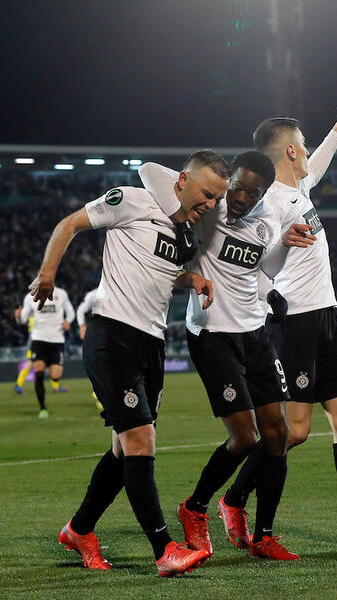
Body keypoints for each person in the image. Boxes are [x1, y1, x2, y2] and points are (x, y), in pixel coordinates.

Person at [194, 94, 337, 549]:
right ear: (291, 150)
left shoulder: (297, 189)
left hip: (327, 314)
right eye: (305, 144)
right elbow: (253, 265)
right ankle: (233, 499)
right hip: (296, 321)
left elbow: (316, 168)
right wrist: (267, 297)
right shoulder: (269, 203)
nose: (310, 151)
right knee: (294, 431)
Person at [30, 149, 228, 576]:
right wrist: (48, 273)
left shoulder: (184, 233)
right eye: (207, 194)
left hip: (152, 344)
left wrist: (190, 278)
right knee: (140, 440)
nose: (211, 204)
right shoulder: (131, 200)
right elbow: (69, 224)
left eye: (217, 199)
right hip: (112, 335)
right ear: (182, 180)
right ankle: (164, 550)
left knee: (123, 451)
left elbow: (160, 272)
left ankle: (79, 530)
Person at [139, 151, 315, 560]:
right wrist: (193, 193)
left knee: (277, 435)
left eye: (251, 193)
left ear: (263, 194)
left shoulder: (268, 221)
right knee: (244, 438)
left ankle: (264, 537)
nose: (239, 198)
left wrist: (273, 281)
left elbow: (258, 269)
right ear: (228, 182)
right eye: (236, 188)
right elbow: (147, 170)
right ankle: (195, 507)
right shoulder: (211, 207)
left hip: (255, 334)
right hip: (213, 334)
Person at [18, 287, 75, 417]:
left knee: (55, 376)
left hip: (57, 340)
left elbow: (70, 311)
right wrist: (18, 317)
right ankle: (42, 408)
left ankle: (50, 366)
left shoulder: (61, 293)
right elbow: (23, 319)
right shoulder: (30, 297)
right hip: (38, 339)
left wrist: (68, 321)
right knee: (39, 373)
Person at [14, 314, 68, 395]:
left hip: (39, 343)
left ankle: (56, 387)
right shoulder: (38, 316)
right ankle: (18, 385)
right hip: (36, 345)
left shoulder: (35, 316)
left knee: (50, 364)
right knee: (29, 365)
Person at [76, 288, 103, 410]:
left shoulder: (123, 290)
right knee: (101, 364)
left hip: (119, 333)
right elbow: (81, 310)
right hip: (100, 332)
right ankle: (99, 393)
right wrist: (82, 325)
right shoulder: (94, 294)